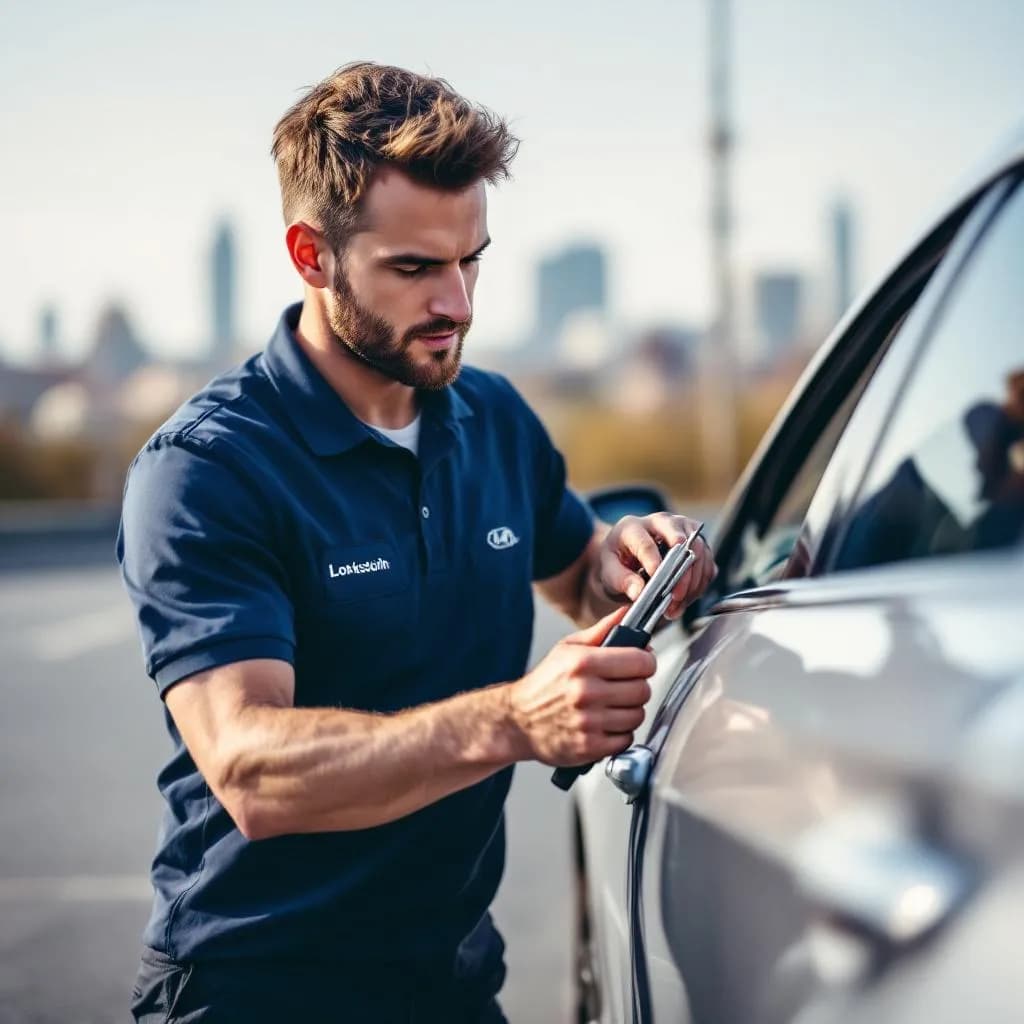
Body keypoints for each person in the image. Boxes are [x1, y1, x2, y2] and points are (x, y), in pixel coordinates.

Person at [118, 61, 716, 1023]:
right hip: (254, 990)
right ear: (312, 256)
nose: (459, 303)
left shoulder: (489, 414)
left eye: (471, 258)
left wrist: (629, 556)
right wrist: (516, 721)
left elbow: (579, 574)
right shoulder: (207, 470)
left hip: (452, 982)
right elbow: (251, 769)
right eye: (414, 269)